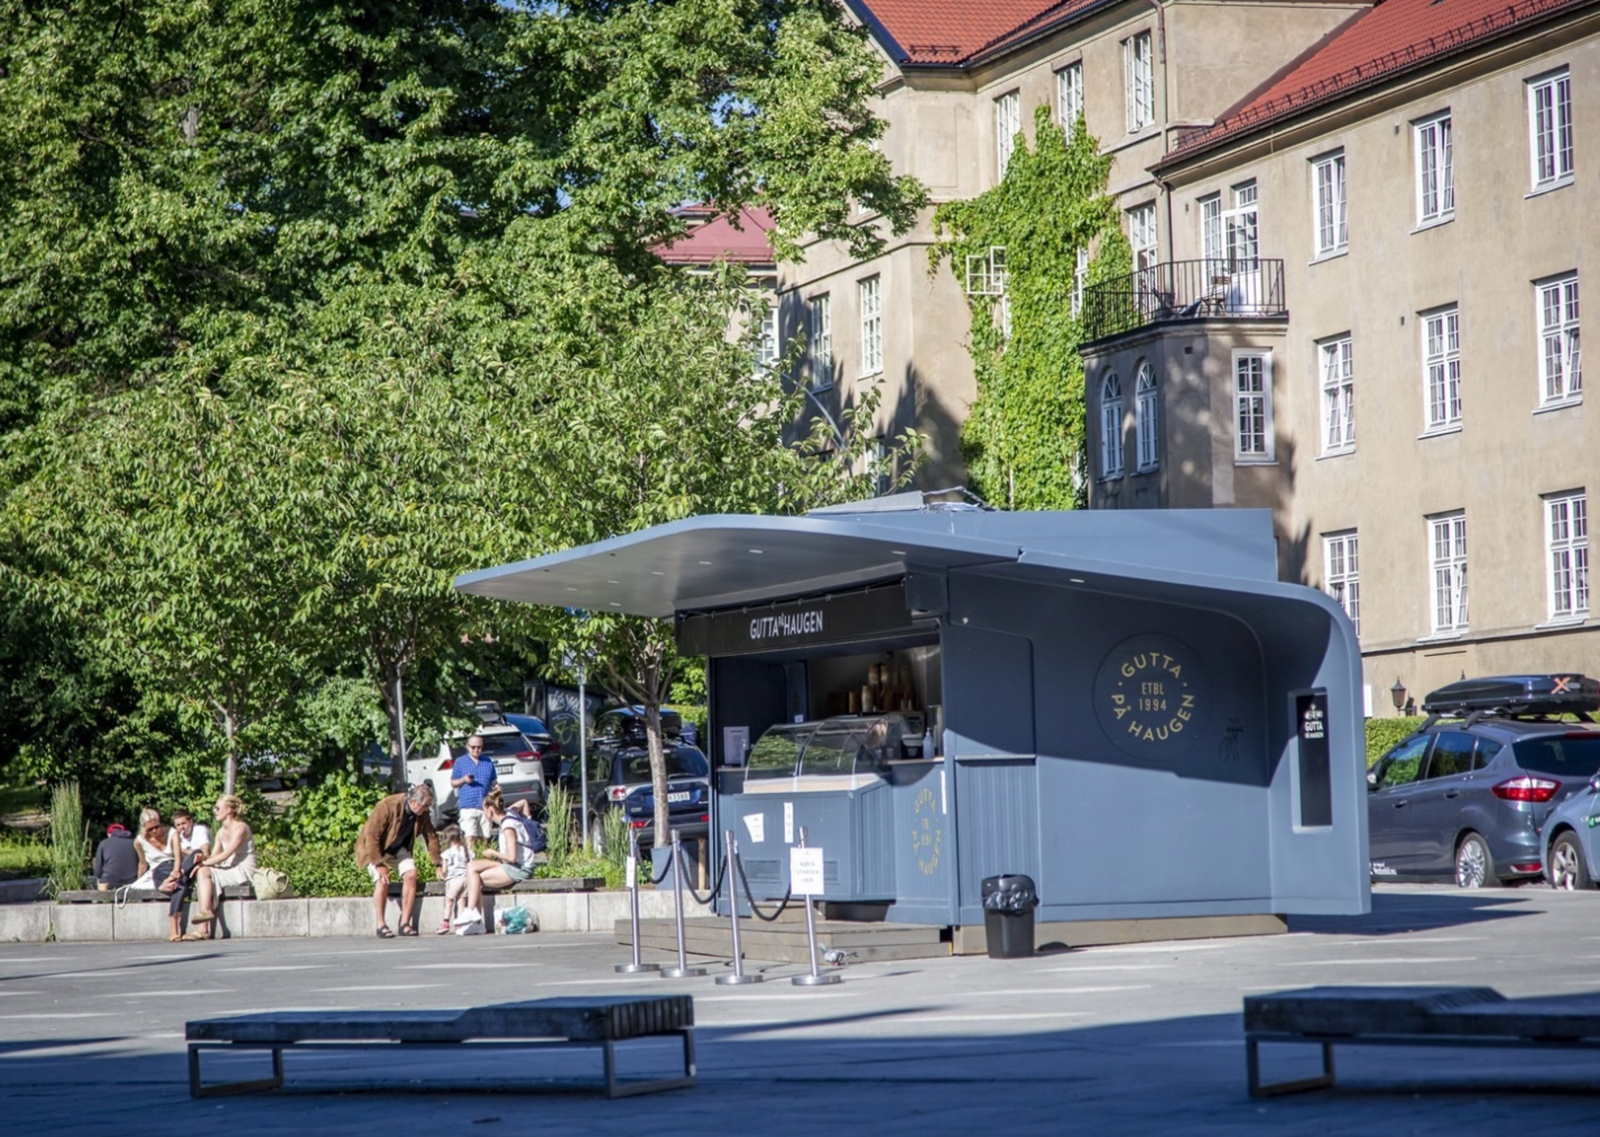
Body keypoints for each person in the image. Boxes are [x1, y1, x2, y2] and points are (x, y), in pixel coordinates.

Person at [354, 784, 443, 939]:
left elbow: (431, 837)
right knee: (382, 880)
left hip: (398, 848)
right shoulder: (388, 806)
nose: (428, 809)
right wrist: (379, 864)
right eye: (426, 805)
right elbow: (372, 835)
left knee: (411, 874)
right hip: (375, 849)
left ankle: (404, 923)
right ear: (414, 803)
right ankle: (381, 925)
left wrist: (438, 863)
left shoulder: (422, 813)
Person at [454, 788, 537, 931]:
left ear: (490, 810)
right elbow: (523, 802)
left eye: (484, 810)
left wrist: (493, 852)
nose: (484, 814)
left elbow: (512, 857)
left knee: (475, 878)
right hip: (509, 864)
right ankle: (473, 917)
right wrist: (527, 819)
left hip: (518, 868)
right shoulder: (510, 813)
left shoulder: (508, 827)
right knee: (471, 867)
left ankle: (472, 914)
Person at [186, 795, 255, 940]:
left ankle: (204, 926)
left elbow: (225, 855)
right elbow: (214, 858)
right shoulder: (220, 832)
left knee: (204, 871)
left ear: (229, 810)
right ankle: (204, 921)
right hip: (228, 869)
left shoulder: (241, 828)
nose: (215, 811)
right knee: (203, 871)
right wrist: (203, 860)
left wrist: (204, 864)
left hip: (243, 870)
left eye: (217, 808)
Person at [160, 808, 210, 942]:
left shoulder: (200, 830)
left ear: (191, 822)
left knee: (196, 852)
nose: (181, 828)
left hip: (197, 868)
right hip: (183, 874)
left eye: (184, 823)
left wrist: (180, 849)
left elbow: (204, 852)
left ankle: (175, 878)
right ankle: (174, 928)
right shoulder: (175, 836)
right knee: (179, 884)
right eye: (178, 825)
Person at [450, 734, 497, 858]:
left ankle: (482, 862)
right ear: (467, 746)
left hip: (484, 806)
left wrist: (495, 797)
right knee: (470, 836)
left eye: (479, 747)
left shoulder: (487, 761)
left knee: (484, 838)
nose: (476, 750)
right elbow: (453, 782)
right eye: (473, 747)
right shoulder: (460, 762)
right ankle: (470, 861)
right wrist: (464, 780)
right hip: (468, 805)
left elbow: (494, 783)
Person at [435, 824, 469, 934]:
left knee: (449, 902)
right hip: (465, 879)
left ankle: (445, 923)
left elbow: (444, 870)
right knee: (461, 902)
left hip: (453, 880)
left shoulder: (447, 853)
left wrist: (443, 875)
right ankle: (460, 925)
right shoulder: (467, 851)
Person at [131, 808, 174, 890]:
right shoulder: (139, 841)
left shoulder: (171, 833)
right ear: (144, 827)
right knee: (134, 887)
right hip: (155, 872)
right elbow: (143, 863)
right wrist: (139, 880)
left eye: (157, 827)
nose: (154, 831)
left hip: (171, 869)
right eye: (150, 829)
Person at [93, 822, 139, 890]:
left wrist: (98, 877)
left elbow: (98, 870)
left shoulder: (104, 843)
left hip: (109, 882)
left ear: (109, 834)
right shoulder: (133, 843)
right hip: (131, 882)